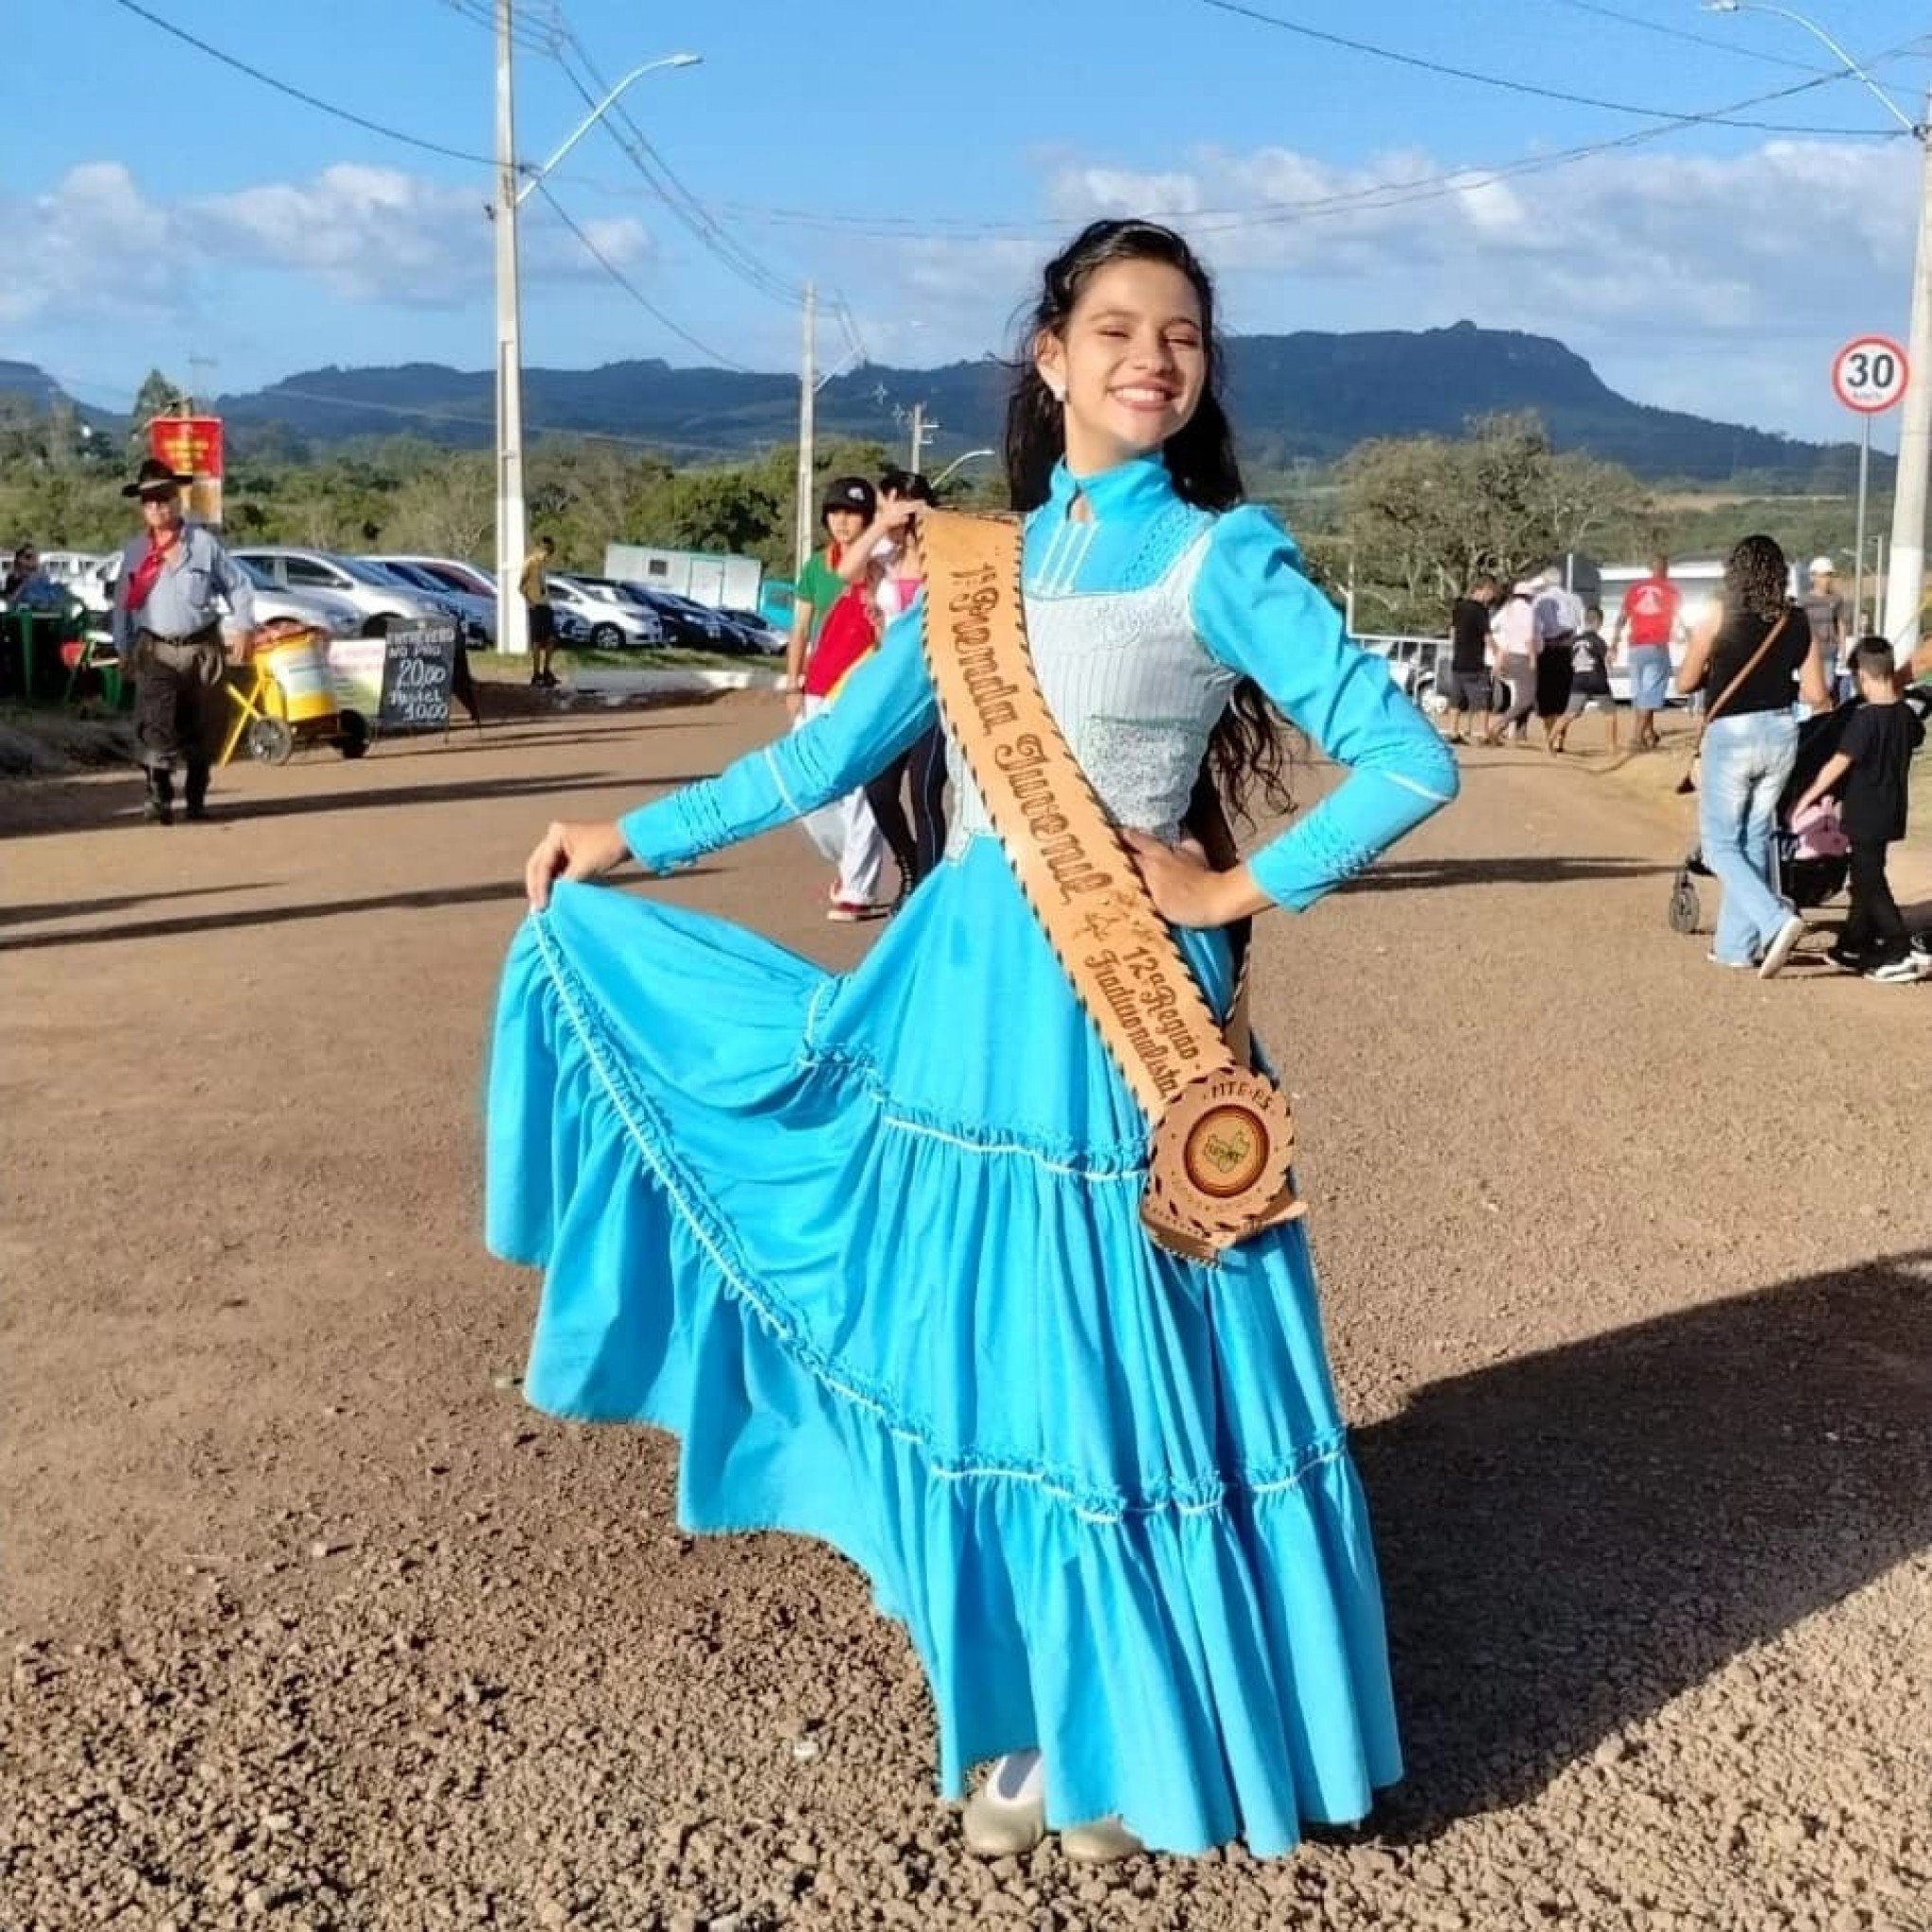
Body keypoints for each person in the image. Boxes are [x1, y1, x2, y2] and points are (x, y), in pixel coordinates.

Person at [488, 217, 1458, 1862]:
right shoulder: (979, 572)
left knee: (1112, 1366)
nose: (1157, 358)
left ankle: (1143, 1738)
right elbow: (817, 766)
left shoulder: (1222, 554)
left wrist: (1231, 889)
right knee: (994, 1352)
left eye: (1187, 337)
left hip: (1118, 1029)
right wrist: (626, 840)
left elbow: (1408, 757)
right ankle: (1027, 1710)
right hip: (958, 1013)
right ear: (1053, 357)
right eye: (1121, 330)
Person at [1673, 534, 1828, 976]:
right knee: (1756, 837)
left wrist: (1710, 667)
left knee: (1720, 844)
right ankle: (1734, 947)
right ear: (1779, 574)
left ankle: (1775, 920)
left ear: (1734, 572)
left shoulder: (1720, 614)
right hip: (1780, 731)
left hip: (1732, 734)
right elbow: (1817, 693)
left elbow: (1684, 683)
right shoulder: (1796, 620)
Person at [111, 456, 256, 825]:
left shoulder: (203, 545)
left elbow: (238, 587)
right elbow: (123, 606)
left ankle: (196, 798)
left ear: (178, 500)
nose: (157, 507)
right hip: (155, 649)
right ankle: (158, 795)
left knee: (203, 725)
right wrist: (123, 648)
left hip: (202, 649)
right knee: (155, 724)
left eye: (164, 498)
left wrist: (244, 627)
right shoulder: (134, 552)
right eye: (149, 501)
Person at [783, 475, 892, 920]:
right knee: (805, 787)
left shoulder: (881, 564)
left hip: (863, 690)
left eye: (852, 514)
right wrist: (792, 682)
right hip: (816, 688)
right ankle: (850, 862)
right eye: (835, 513)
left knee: (862, 789)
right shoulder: (815, 567)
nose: (842, 522)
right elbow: (801, 628)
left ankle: (857, 889)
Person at [1789, 636, 1926, 981]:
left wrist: (1807, 796)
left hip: (1864, 811)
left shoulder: (1863, 720)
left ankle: (1898, 946)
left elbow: (1838, 763)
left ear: (1862, 676)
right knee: (1866, 875)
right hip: (1892, 808)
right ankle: (1853, 942)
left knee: (1868, 878)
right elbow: (1915, 737)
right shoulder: (1905, 716)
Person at [845, 469, 948, 905]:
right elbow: (846, 570)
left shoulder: (945, 559)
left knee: (925, 793)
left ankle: (927, 891)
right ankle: (906, 862)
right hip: (892, 691)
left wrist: (928, 519)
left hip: (936, 691)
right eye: (889, 503)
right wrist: (879, 526)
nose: (897, 512)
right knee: (879, 789)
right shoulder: (882, 561)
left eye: (902, 503)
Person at [1613, 554, 1681, 751]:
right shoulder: (1671, 591)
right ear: (1666, 569)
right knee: (1650, 693)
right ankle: (1635, 737)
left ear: (1651, 569)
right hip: (1657, 645)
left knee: (1640, 693)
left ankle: (1648, 734)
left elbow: (1622, 617)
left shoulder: (1634, 589)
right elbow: (1680, 617)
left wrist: (1614, 643)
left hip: (1635, 647)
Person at [1549, 604, 1619, 755]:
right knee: (1610, 714)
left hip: (1578, 681)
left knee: (1570, 713)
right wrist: (1612, 654)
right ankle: (1611, 747)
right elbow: (1608, 659)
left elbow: (1569, 661)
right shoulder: (1598, 640)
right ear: (1598, 623)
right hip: (1597, 680)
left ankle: (1552, 737)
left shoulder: (1574, 641)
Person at [1482, 576, 1539, 745]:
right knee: (1526, 698)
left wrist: (1499, 659)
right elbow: (1528, 635)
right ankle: (1499, 726)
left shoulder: (1508, 610)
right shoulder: (1527, 610)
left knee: (1521, 696)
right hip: (1522, 656)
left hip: (1509, 655)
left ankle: (1516, 732)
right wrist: (1532, 657)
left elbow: (1505, 637)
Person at [1442, 574, 1498, 745]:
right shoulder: (1480, 611)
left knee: (1456, 698)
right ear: (1484, 589)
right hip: (1475, 662)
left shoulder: (1459, 607)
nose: (1492, 597)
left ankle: (1453, 731)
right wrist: (1498, 654)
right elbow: (1487, 636)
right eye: (1491, 593)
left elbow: (1452, 631)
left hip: (1459, 659)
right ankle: (1483, 733)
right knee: (1482, 699)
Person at [1530, 566, 1583, 749]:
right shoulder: (1574, 599)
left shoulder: (1539, 600)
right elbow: (1578, 625)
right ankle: (1561, 738)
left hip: (1547, 649)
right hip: (1567, 648)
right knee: (1563, 695)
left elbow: (1536, 628)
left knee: (1546, 697)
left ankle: (1550, 735)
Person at [1800, 556, 1848, 700]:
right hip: (1808, 652)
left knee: (1827, 685)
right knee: (1809, 688)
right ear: (1814, 577)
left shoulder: (1836, 600)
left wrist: (1843, 650)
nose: (1827, 580)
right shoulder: (1804, 601)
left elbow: (1840, 623)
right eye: (1824, 576)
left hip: (1829, 651)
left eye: (1829, 576)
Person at [520, 536, 560, 689]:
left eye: (550, 551)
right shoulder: (530, 563)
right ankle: (536, 674)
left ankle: (546, 671)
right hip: (535, 605)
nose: (547, 554)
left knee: (551, 639)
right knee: (537, 642)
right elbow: (521, 586)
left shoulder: (544, 565)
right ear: (539, 549)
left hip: (546, 604)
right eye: (545, 550)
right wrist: (529, 602)